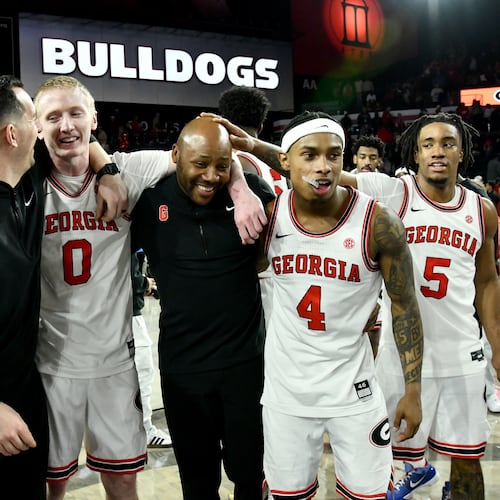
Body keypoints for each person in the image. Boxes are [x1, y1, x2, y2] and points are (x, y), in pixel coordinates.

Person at [33, 76, 265, 500]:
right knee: (52, 483)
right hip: (49, 362)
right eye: (53, 116)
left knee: (123, 480)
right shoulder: (25, 184)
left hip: (114, 362)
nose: (66, 125)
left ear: (94, 119)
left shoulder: (132, 169)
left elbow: (201, 153)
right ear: (36, 125)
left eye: (75, 113)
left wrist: (240, 186)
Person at [256, 110, 424, 500]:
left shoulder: (378, 224)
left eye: (334, 155)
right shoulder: (269, 218)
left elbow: (405, 308)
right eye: (310, 155)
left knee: (368, 496)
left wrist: (412, 391)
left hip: (356, 391)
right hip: (286, 393)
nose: (324, 167)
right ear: (285, 161)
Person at [337, 112, 500, 500]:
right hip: (401, 356)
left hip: (461, 354)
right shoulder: (395, 192)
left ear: (463, 152)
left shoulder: (482, 210)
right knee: (388, 463)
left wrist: (497, 345)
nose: (437, 151)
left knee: (467, 459)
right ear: (415, 153)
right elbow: (323, 171)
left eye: (447, 143)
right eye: (427, 144)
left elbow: (487, 281)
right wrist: (256, 146)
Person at [130, 117, 276, 500]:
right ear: (175, 155)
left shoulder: (254, 193)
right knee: (197, 483)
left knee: (251, 475)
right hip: (183, 370)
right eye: (200, 164)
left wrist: (242, 183)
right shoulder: (149, 200)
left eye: (222, 165)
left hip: (245, 366)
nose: (211, 176)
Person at [0, 75, 127, 500]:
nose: (55, 126)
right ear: (19, 133)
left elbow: (74, 135)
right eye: (42, 118)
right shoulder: (27, 183)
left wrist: (107, 169)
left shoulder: (26, 182)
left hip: (31, 384)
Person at [218, 85, 289, 328]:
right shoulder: (279, 162)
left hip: (252, 273)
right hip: (281, 268)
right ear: (261, 124)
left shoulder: (235, 161)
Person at [131, 250, 172, 447]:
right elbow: (130, 277)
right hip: (129, 316)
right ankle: (145, 430)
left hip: (107, 316)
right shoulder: (123, 231)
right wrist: (145, 284)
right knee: (143, 374)